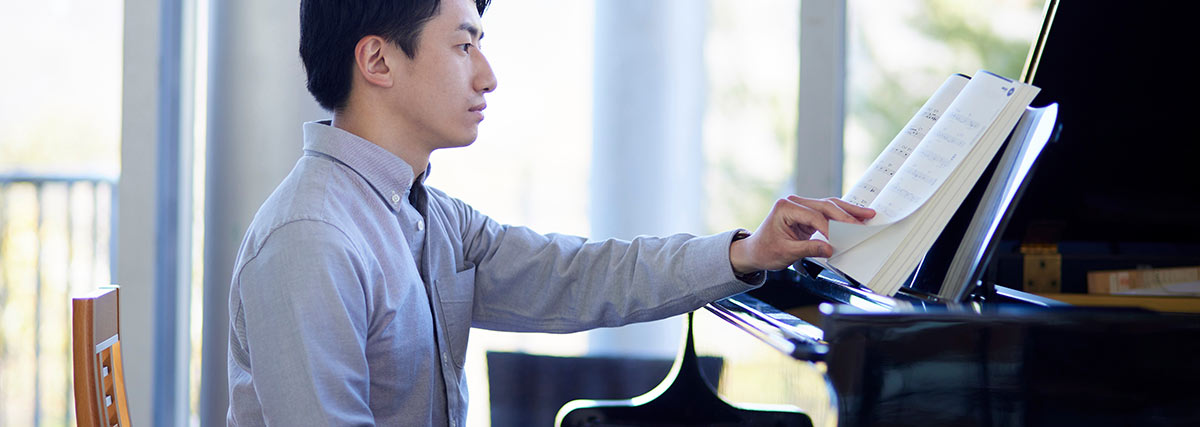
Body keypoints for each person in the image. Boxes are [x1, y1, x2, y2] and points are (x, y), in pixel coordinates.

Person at [225, 0, 875, 425]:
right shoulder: (310, 239)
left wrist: (746, 252)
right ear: (376, 61)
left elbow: (582, 274)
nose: (487, 75)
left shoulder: (428, 217)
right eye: (463, 46)